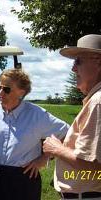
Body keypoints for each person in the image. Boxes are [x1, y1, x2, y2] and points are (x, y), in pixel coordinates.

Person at [0, 68, 69, 200]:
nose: (0, 93)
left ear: (21, 93)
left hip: (23, 179)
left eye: (6, 89)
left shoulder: (37, 115)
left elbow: (67, 133)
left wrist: (44, 158)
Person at [43, 34, 101, 200]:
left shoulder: (98, 101)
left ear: (98, 61)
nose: (73, 68)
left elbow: (93, 169)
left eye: (78, 61)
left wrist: (56, 149)